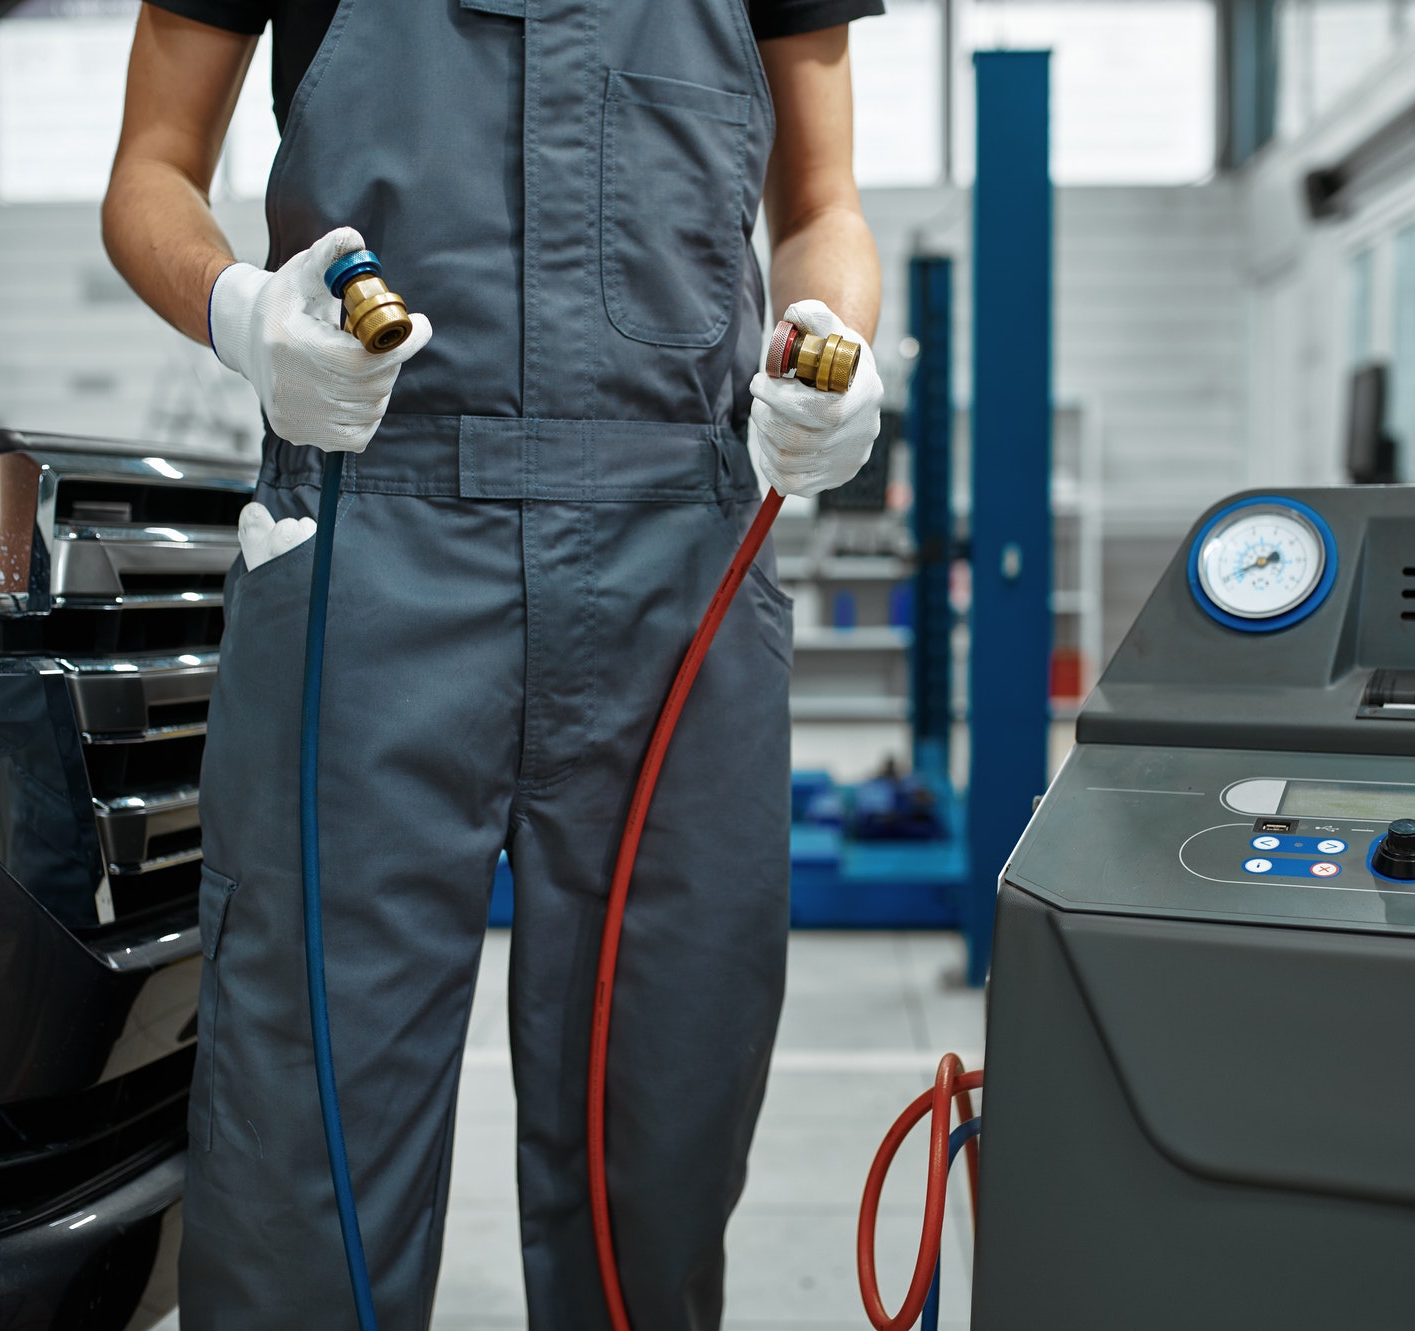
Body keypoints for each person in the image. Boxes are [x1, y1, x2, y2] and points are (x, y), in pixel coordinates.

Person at [102, 1, 885, 1326]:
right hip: (370, 534)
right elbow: (149, 174)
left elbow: (825, 203)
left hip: (674, 565)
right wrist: (244, 313)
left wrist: (836, 347)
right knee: (309, 1136)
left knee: (662, 1123)